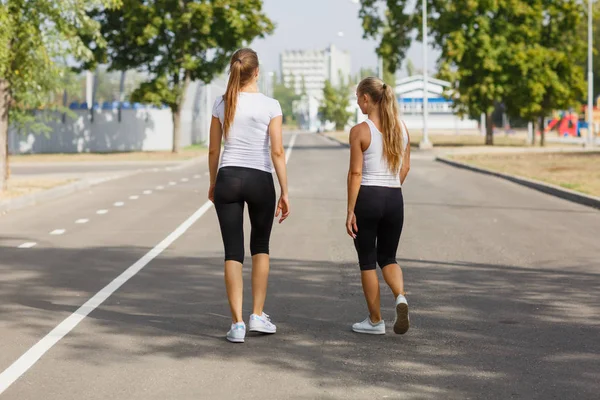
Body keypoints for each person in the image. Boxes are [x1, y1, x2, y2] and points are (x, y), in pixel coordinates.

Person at [208, 48, 290, 343]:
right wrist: (285, 190)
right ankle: (257, 315)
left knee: (233, 251)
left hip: (228, 178)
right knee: (260, 247)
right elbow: (277, 152)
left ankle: (237, 324)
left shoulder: (222, 103)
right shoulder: (271, 105)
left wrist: (212, 182)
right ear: (257, 72)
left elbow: (214, 150)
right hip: (260, 180)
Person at [346, 77, 411, 335]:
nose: (357, 102)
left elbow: (355, 174)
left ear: (366, 99)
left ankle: (375, 321)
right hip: (395, 196)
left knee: (367, 260)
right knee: (388, 257)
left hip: (368, 197)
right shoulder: (402, 128)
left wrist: (351, 210)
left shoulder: (360, 131)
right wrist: (391, 190)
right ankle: (400, 297)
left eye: (358, 97)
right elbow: (405, 168)